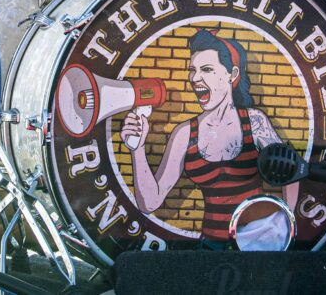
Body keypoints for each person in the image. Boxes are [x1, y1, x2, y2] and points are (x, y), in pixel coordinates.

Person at [120, 28, 293, 244]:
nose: (195, 78)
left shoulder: (254, 122)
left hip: (257, 240)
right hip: (210, 245)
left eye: (207, 69)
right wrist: (137, 148)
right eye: (192, 70)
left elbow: (292, 172)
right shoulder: (185, 133)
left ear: (233, 75)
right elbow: (150, 202)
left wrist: (288, 225)